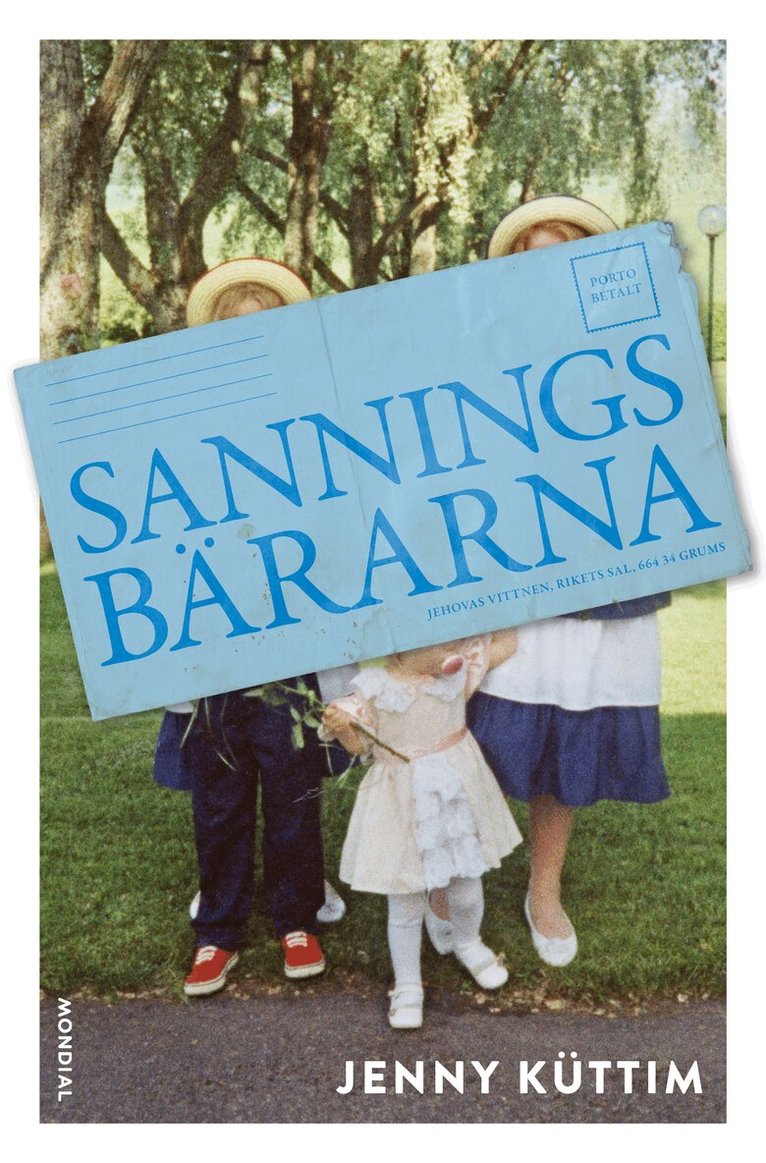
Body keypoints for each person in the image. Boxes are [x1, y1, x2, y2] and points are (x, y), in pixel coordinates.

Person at [465, 196, 671, 967]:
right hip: (511, 563)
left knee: (571, 718)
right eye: (531, 257)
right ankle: (457, 879)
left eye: (562, 253)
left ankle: (542, 887)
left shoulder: (638, 350)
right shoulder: (480, 353)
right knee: (478, 726)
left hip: (601, 568)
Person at [154, 258, 346, 997]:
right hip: (214, 636)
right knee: (220, 792)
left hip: (290, 634)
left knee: (293, 785)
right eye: (234, 330)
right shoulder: (186, 426)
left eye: (265, 329)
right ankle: (219, 931)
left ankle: (297, 917)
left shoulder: (307, 420)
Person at [322, 634, 522, 1029]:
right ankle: (408, 984)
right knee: (406, 901)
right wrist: (344, 728)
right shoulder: (373, 690)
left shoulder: (457, 674)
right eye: (443, 645)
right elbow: (359, 748)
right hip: (401, 805)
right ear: (401, 646)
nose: (454, 651)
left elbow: (503, 646)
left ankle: (468, 942)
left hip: (455, 796)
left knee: (467, 885)